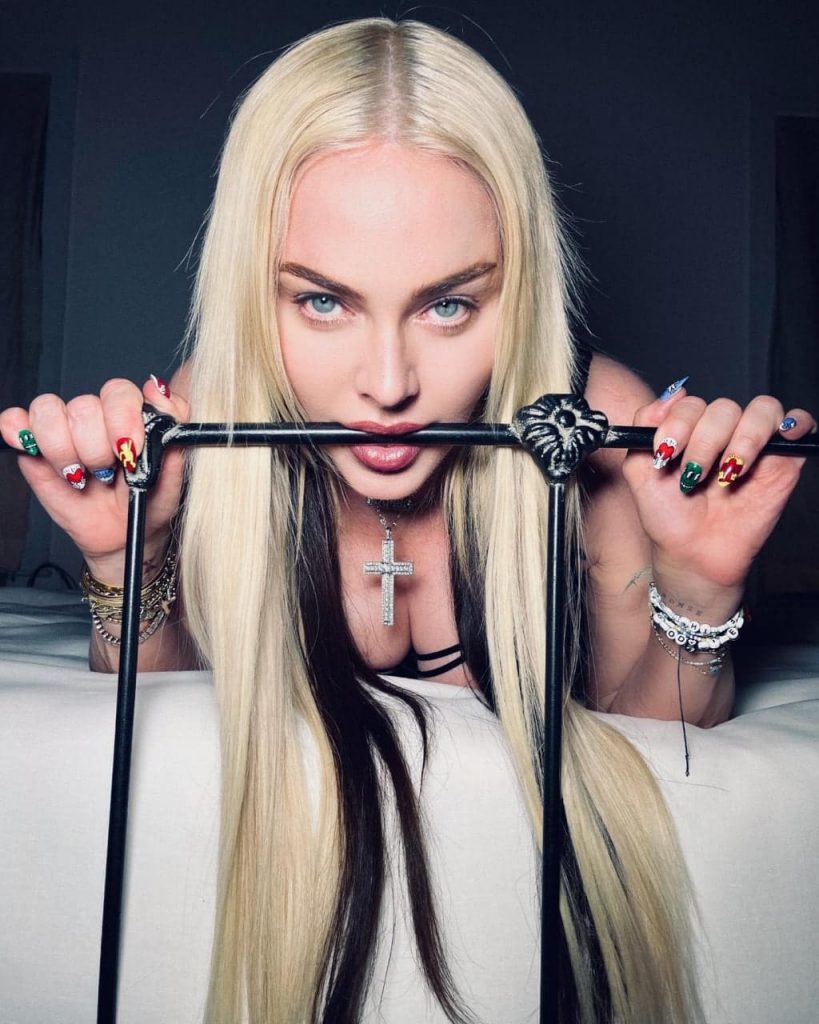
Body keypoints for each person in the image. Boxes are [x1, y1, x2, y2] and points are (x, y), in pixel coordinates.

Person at [0, 17, 814, 1024]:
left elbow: (655, 749)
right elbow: (166, 733)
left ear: (517, 291)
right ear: (255, 290)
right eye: (324, 303)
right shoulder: (208, 417)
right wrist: (131, 559)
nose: (388, 385)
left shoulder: (595, 429)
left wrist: (699, 585)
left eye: (448, 306)